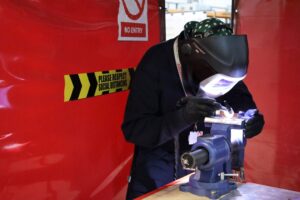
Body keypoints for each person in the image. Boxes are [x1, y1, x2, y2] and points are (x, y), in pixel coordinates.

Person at [121, 18, 264, 199]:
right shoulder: (155, 62)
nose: (222, 88)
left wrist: (253, 121)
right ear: (190, 56)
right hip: (157, 178)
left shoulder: (222, 64)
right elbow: (135, 130)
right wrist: (182, 117)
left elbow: (244, 104)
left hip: (205, 171)